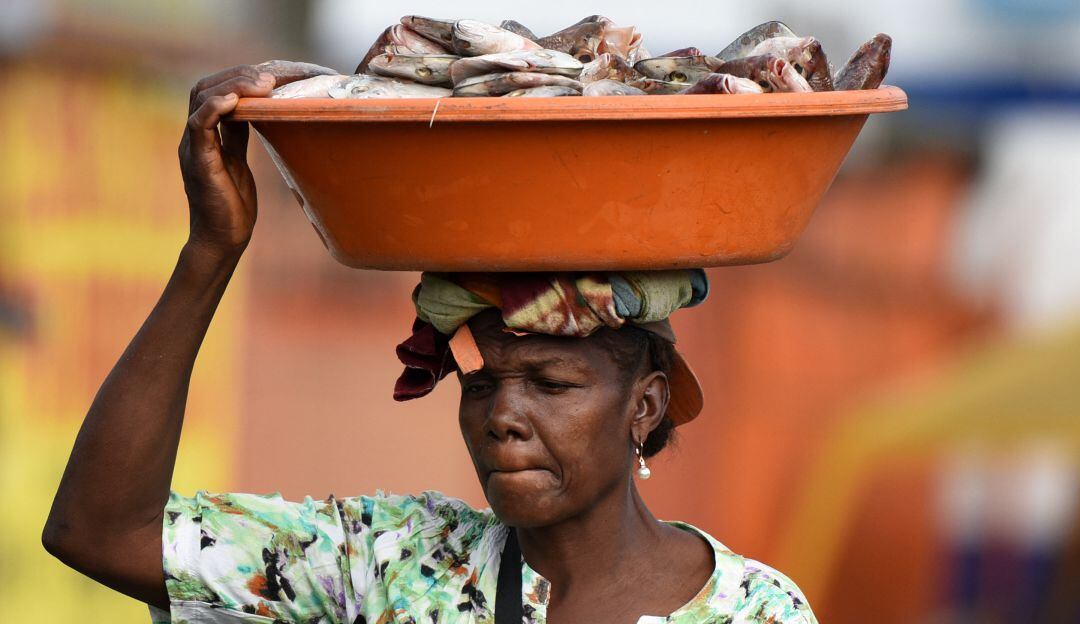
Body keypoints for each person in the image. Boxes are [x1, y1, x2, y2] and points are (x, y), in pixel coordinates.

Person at [41, 65, 817, 624]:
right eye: (480, 384)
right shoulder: (395, 565)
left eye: (550, 383)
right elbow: (103, 533)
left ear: (643, 406)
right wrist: (211, 252)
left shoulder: (756, 612)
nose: (502, 417)